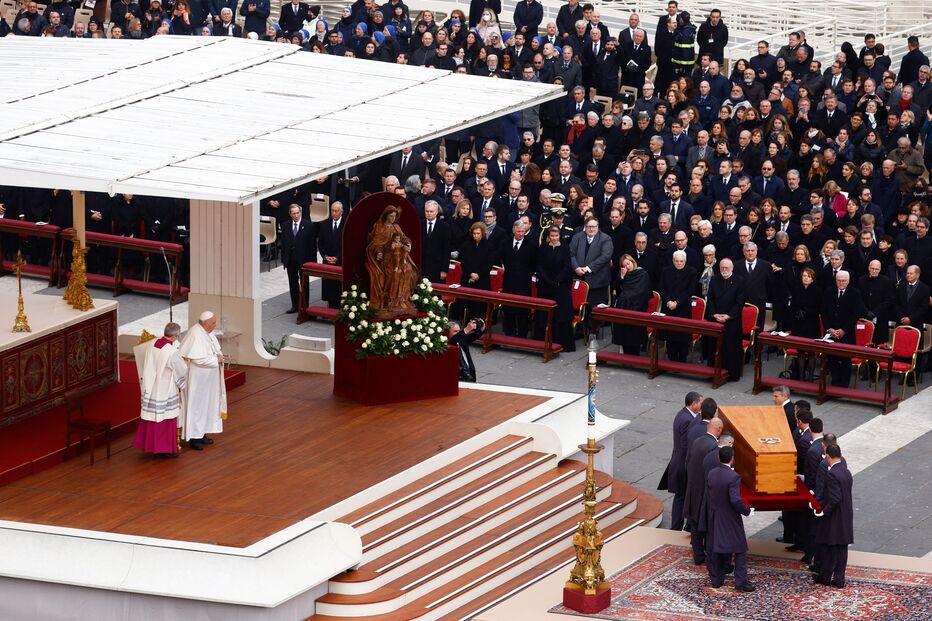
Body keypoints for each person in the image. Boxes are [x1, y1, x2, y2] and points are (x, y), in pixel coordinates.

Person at [133, 322, 187, 458]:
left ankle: (152, 447)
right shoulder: (172, 352)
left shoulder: (153, 344)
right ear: (175, 337)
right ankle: (165, 449)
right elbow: (181, 371)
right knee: (166, 419)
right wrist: (186, 364)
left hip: (151, 388)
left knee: (153, 419)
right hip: (165, 390)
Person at [706, 445, 756, 592]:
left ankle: (716, 580)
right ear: (732, 458)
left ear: (718, 457)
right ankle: (740, 581)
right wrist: (747, 511)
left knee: (717, 548)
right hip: (730, 519)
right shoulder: (733, 477)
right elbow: (735, 500)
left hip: (715, 516)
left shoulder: (712, 473)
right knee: (740, 549)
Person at [178, 311, 226, 451]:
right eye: (213, 323)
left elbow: (215, 348)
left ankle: (203, 433)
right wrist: (216, 359)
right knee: (197, 407)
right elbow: (198, 359)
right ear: (205, 323)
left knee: (207, 405)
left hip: (208, 381)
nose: (215, 325)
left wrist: (218, 355)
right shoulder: (196, 334)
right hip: (198, 381)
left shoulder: (207, 333)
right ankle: (195, 438)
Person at [659, 391, 703, 532]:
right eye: (700, 403)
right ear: (693, 403)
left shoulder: (683, 414)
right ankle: (677, 528)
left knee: (682, 497)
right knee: (681, 497)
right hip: (682, 464)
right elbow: (685, 444)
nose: (701, 406)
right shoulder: (687, 419)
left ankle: (682, 526)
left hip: (679, 461)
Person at [683, 417, 724, 564]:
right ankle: (707, 552)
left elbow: (688, 462)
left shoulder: (698, 441)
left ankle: (698, 554)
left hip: (693, 487)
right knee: (705, 523)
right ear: (719, 430)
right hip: (704, 491)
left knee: (694, 522)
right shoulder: (713, 447)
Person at [815, 443, 854, 588]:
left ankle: (825, 577)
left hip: (835, 518)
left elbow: (835, 498)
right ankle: (839, 579)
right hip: (846, 515)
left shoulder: (832, 474)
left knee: (829, 548)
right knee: (842, 549)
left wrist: (824, 511)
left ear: (828, 456)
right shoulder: (846, 471)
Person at [821, 270, 865, 387]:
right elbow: (824, 312)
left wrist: (843, 330)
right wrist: (829, 329)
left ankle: (844, 385)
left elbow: (856, 314)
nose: (841, 283)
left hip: (847, 333)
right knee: (832, 359)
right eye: (839, 281)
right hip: (831, 332)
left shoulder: (855, 293)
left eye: (843, 281)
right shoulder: (829, 291)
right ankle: (835, 383)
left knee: (846, 360)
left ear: (848, 281)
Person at [536, 225, 576, 352]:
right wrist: (547, 279)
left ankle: (561, 343)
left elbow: (567, 267)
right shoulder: (543, 248)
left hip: (560, 287)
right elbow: (539, 265)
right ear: (548, 236)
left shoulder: (565, 248)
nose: (554, 238)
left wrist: (557, 280)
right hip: (545, 286)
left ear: (559, 236)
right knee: (545, 313)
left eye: (556, 236)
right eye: (552, 236)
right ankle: (544, 341)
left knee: (561, 314)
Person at [706, 258, 746, 380]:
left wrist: (728, 316)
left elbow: (740, 302)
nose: (724, 270)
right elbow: (710, 298)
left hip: (732, 321)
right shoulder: (714, 279)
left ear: (732, 268)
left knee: (730, 348)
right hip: (716, 319)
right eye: (722, 268)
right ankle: (713, 372)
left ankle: (731, 374)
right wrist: (714, 314)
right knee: (714, 347)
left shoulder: (740, 281)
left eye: (726, 268)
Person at [659, 250, 697, 362]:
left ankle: (682, 360)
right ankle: (672, 359)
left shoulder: (692, 271)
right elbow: (661, 288)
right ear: (673, 261)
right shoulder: (666, 271)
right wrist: (668, 302)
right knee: (670, 336)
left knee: (682, 336)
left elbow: (690, 290)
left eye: (681, 261)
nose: (679, 263)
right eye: (677, 261)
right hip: (668, 307)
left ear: (685, 261)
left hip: (683, 308)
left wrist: (677, 303)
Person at [501, 220, 537, 338]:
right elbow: (501, 258)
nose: (520, 234)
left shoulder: (531, 245)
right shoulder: (505, 243)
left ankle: (522, 335)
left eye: (522, 231)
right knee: (509, 308)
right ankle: (509, 333)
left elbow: (534, 263)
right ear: (513, 231)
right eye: (518, 231)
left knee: (523, 310)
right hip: (509, 281)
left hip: (524, 282)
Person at [610, 254, 651, 355]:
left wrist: (628, 296)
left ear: (633, 262)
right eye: (624, 265)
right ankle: (625, 354)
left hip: (637, 307)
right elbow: (616, 289)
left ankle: (634, 355)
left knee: (634, 335)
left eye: (628, 264)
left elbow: (642, 291)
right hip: (624, 307)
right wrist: (621, 277)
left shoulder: (642, 274)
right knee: (624, 333)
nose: (627, 267)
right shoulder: (623, 274)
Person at [317, 202, 344, 308]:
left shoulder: (346, 224)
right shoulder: (324, 224)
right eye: (332, 210)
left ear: (341, 212)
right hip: (327, 260)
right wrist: (325, 256)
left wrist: (338, 257)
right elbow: (321, 243)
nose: (333, 213)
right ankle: (330, 305)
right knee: (328, 285)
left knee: (338, 286)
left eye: (336, 211)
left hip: (340, 260)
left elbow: (346, 243)